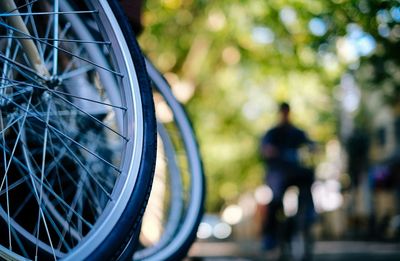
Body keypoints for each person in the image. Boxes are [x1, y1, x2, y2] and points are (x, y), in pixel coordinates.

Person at [260, 102, 315, 251]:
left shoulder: (295, 132)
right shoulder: (272, 133)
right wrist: (272, 151)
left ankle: (308, 212)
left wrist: (313, 146)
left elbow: (309, 143)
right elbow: (265, 148)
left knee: (308, 177)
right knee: (276, 201)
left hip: (294, 171)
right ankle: (270, 236)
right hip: (278, 173)